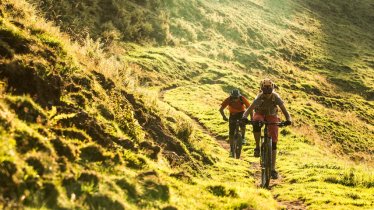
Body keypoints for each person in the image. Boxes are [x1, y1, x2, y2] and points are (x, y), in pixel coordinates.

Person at [242, 79, 291, 179]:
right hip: (260, 114)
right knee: (256, 121)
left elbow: (285, 111)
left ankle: (272, 169)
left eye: (269, 89)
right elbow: (250, 109)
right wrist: (244, 117)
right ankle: (257, 147)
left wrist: (288, 119)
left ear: (272, 89)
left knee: (274, 143)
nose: (267, 93)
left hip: (272, 115)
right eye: (265, 90)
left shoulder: (276, 97)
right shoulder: (259, 97)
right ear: (262, 89)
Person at [219, 89, 251, 157]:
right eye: (233, 98)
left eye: (236, 98)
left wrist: (251, 117)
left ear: (239, 96)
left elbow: (249, 107)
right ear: (231, 96)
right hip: (232, 115)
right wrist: (224, 117)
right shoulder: (228, 99)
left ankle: (243, 137)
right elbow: (221, 109)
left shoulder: (242, 99)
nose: (235, 99)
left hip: (241, 113)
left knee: (243, 125)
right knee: (231, 132)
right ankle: (231, 149)